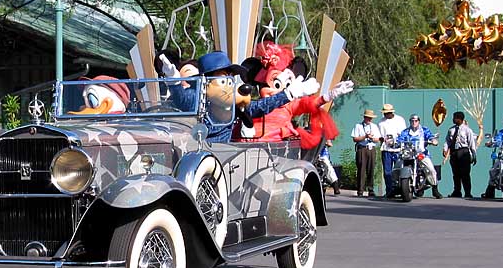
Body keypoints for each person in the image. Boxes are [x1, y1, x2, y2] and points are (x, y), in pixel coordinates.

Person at [160, 51, 318, 144]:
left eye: (230, 79)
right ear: (205, 83)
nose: (229, 85)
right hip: (194, 153)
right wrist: (173, 81)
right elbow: (182, 99)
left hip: (223, 157)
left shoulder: (233, 106)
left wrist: (289, 94)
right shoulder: (198, 100)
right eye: (223, 79)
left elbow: (260, 107)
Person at [398, 114, 442, 198]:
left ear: (419, 121)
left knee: (431, 170)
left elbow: (430, 136)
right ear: (409, 121)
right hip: (408, 154)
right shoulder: (405, 131)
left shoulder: (424, 130)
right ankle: (395, 186)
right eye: (412, 120)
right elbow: (400, 139)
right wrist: (396, 143)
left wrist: (433, 140)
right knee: (396, 166)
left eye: (416, 121)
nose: (414, 122)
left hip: (421, 153)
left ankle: (435, 189)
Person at [443, 111, 477, 198]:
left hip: (464, 152)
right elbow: (447, 141)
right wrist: (445, 149)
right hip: (454, 153)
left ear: (459, 119)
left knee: (465, 173)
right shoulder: (451, 130)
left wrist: (473, 154)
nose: (453, 119)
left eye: (455, 118)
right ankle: (457, 191)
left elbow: (471, 142)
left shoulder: (467, 130)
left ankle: (467, 192)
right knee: (456, 173)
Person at [377, 103, 407, 198]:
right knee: (387, 172)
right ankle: (389, 190)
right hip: (386, 149)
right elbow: (379, 136)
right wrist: (383, 139)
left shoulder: (400, 120)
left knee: (399, 170)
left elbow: (404, 134)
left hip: (398, 149)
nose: (386, 115)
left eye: (388, 113)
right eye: (385, 113)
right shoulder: (381, 122)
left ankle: (401, 189)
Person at [351, 109, 381, 197]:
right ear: (364, 117)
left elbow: (378, 139)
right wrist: (365, 136)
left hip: (371, 148)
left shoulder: (374, 126)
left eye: (371, 118)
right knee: (361, 169)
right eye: (368, 118)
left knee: (371, 169)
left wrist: (372, 138)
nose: (369, 120)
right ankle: (360, 190)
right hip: (362, 149)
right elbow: (355, 139)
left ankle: (370, 189)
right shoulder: (358, 126)